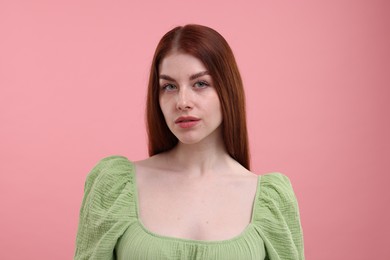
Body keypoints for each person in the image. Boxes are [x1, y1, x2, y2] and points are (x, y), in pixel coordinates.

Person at [74, 24, 304, 260]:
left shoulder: (270, 201)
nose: (182, 102)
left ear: (228, 90)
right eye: (169, 87)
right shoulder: (114, 187)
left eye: (200, 84)